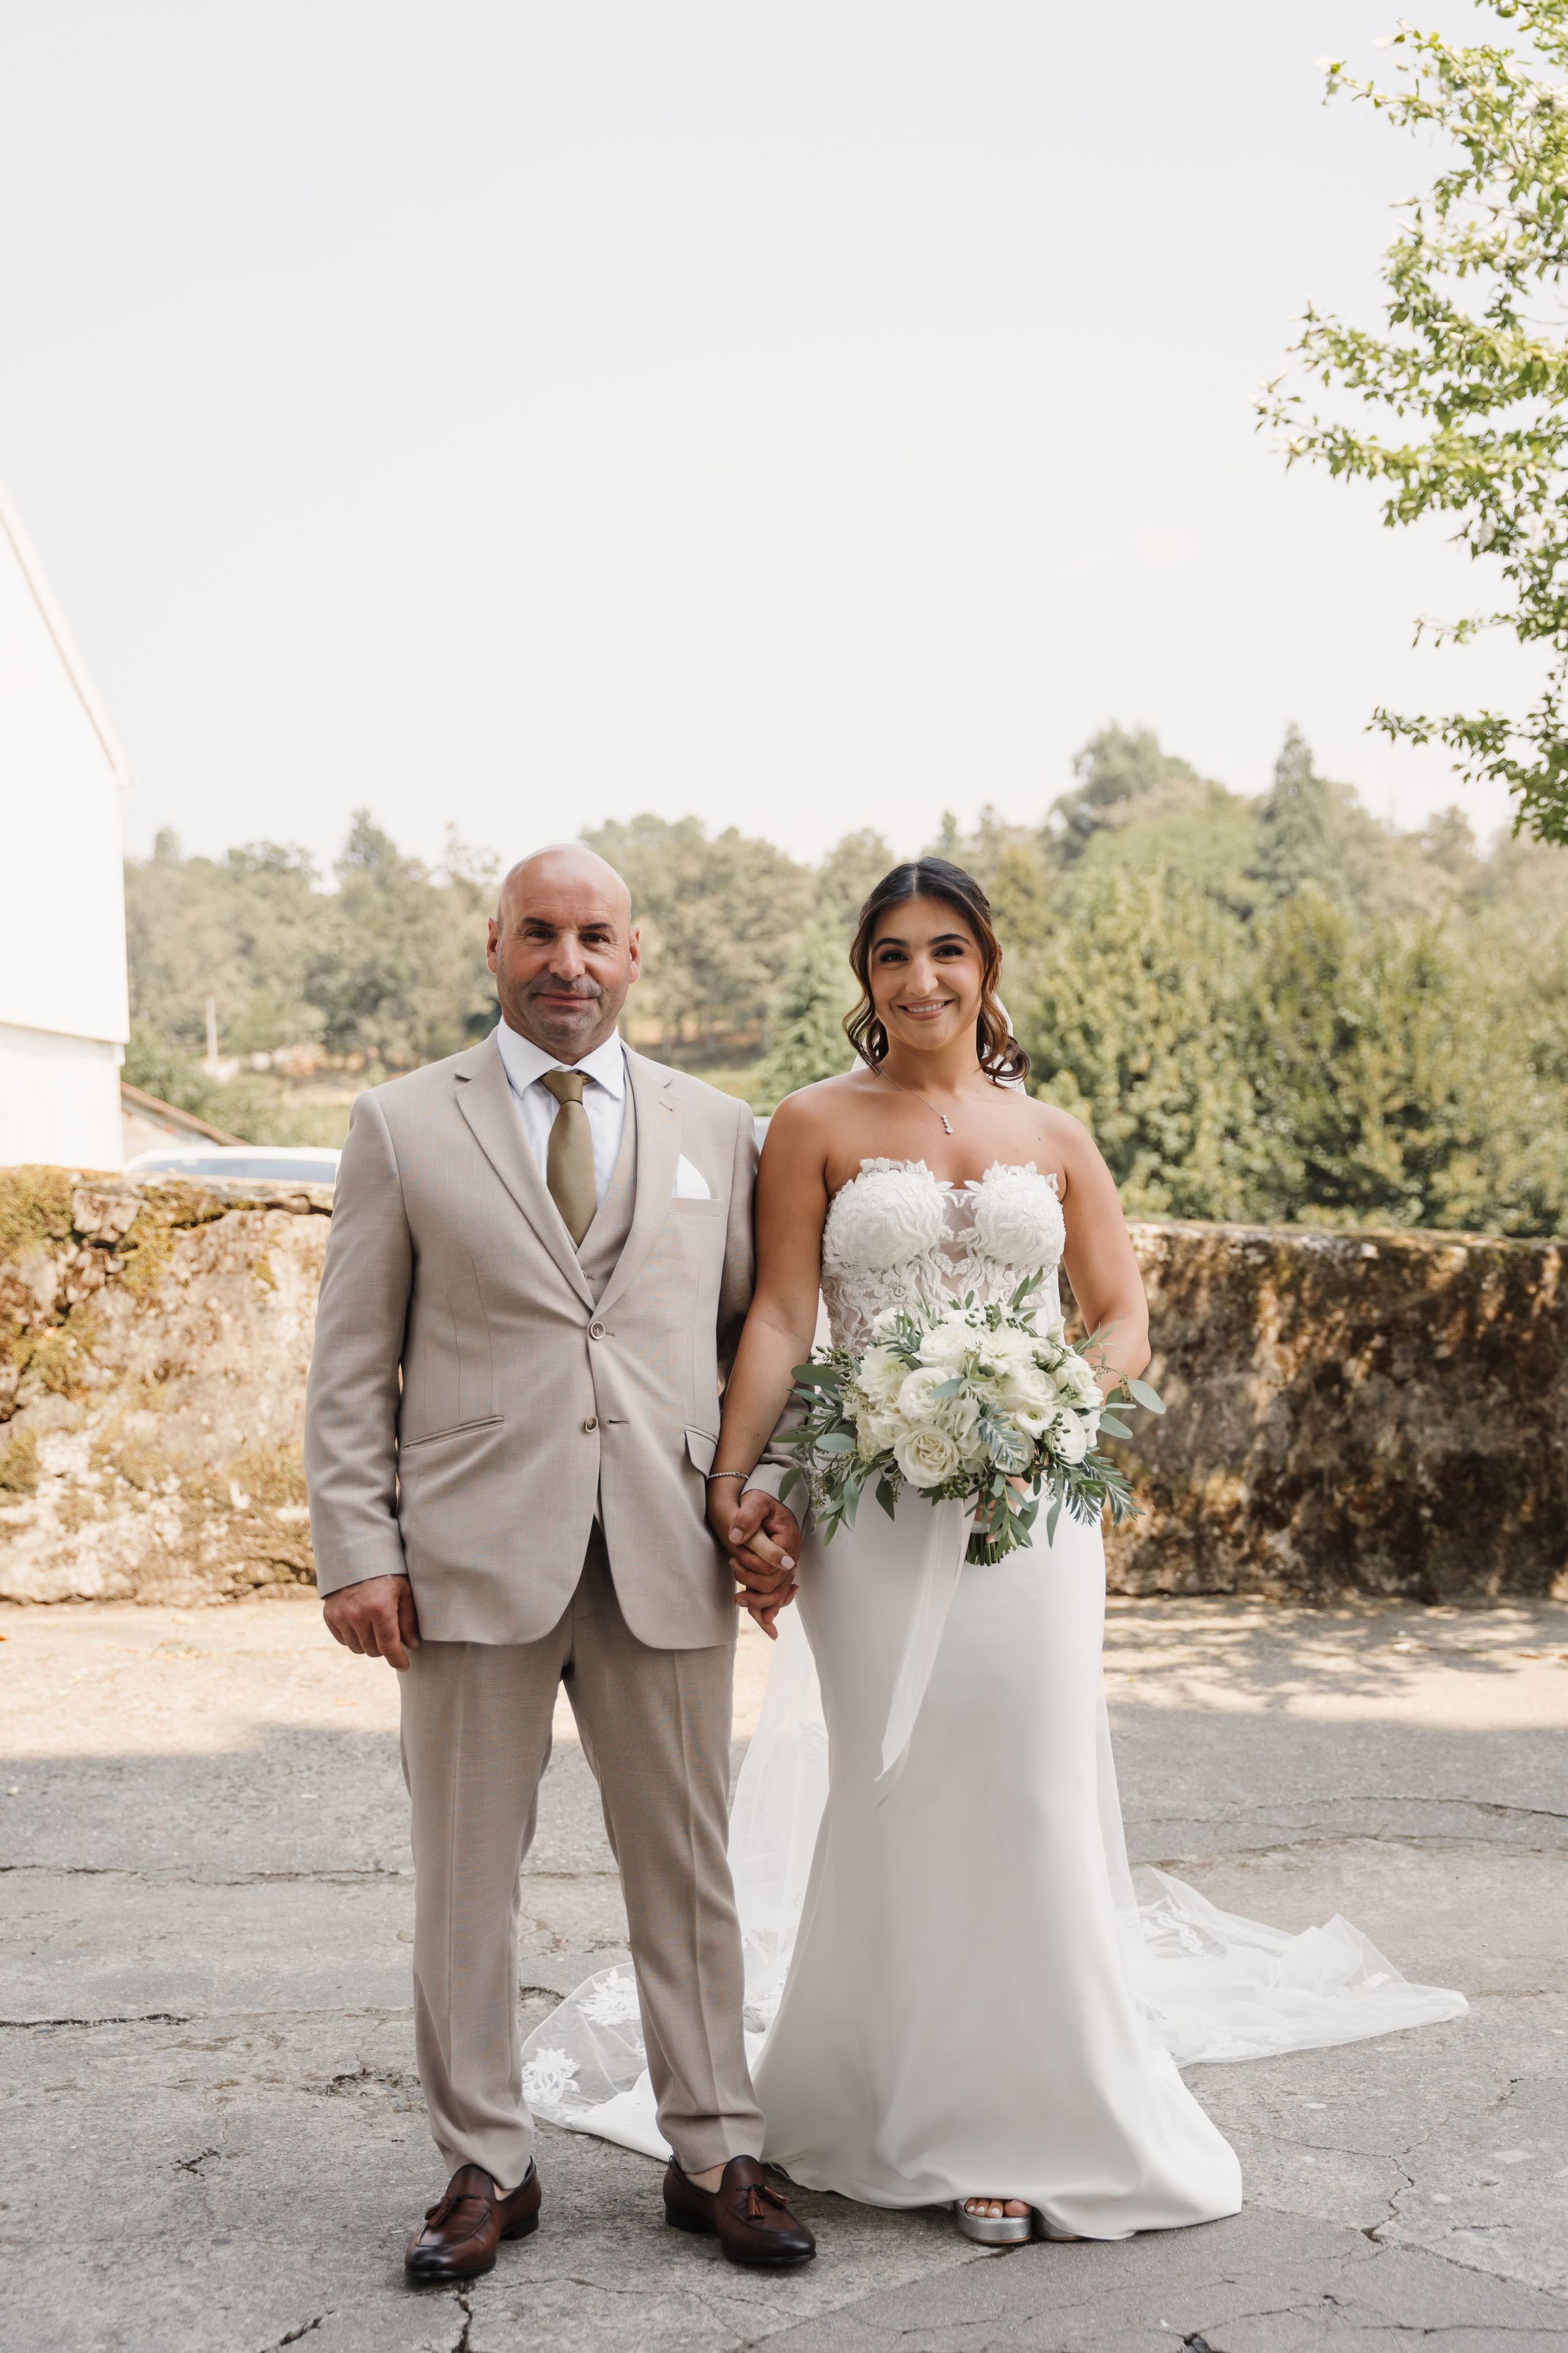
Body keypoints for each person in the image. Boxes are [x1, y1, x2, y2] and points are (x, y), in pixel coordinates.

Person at [704, 855, 1245, 2241]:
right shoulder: (812, 1123)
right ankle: (884, 2087)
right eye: (891, 954)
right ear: (863, 979)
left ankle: (1022, 2111)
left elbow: (1119, 1316)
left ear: (986, 968)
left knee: (1022, 1787)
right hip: (868, 1515)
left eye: (947, 950)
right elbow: (779, 1317)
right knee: (897, 1788)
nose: (920, 977)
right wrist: (735, 1478)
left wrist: (1057, 1393)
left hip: (1029, 1515)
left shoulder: (1056, 1137)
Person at [304, 844, 816, 2281]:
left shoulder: (723, 1129)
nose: (566, 962)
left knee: (690, 1870)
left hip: (666, 1544)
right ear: (493, 945)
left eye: (594, 936)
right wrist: (357, 1547)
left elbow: (764, 1347)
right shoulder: (402, 1123)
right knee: (464, 1878)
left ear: (636, 954)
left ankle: (715, 2149)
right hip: (467, 1557)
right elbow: (351, 1366)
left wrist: (764, 1496)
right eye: (539, 933)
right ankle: (486, 2163)